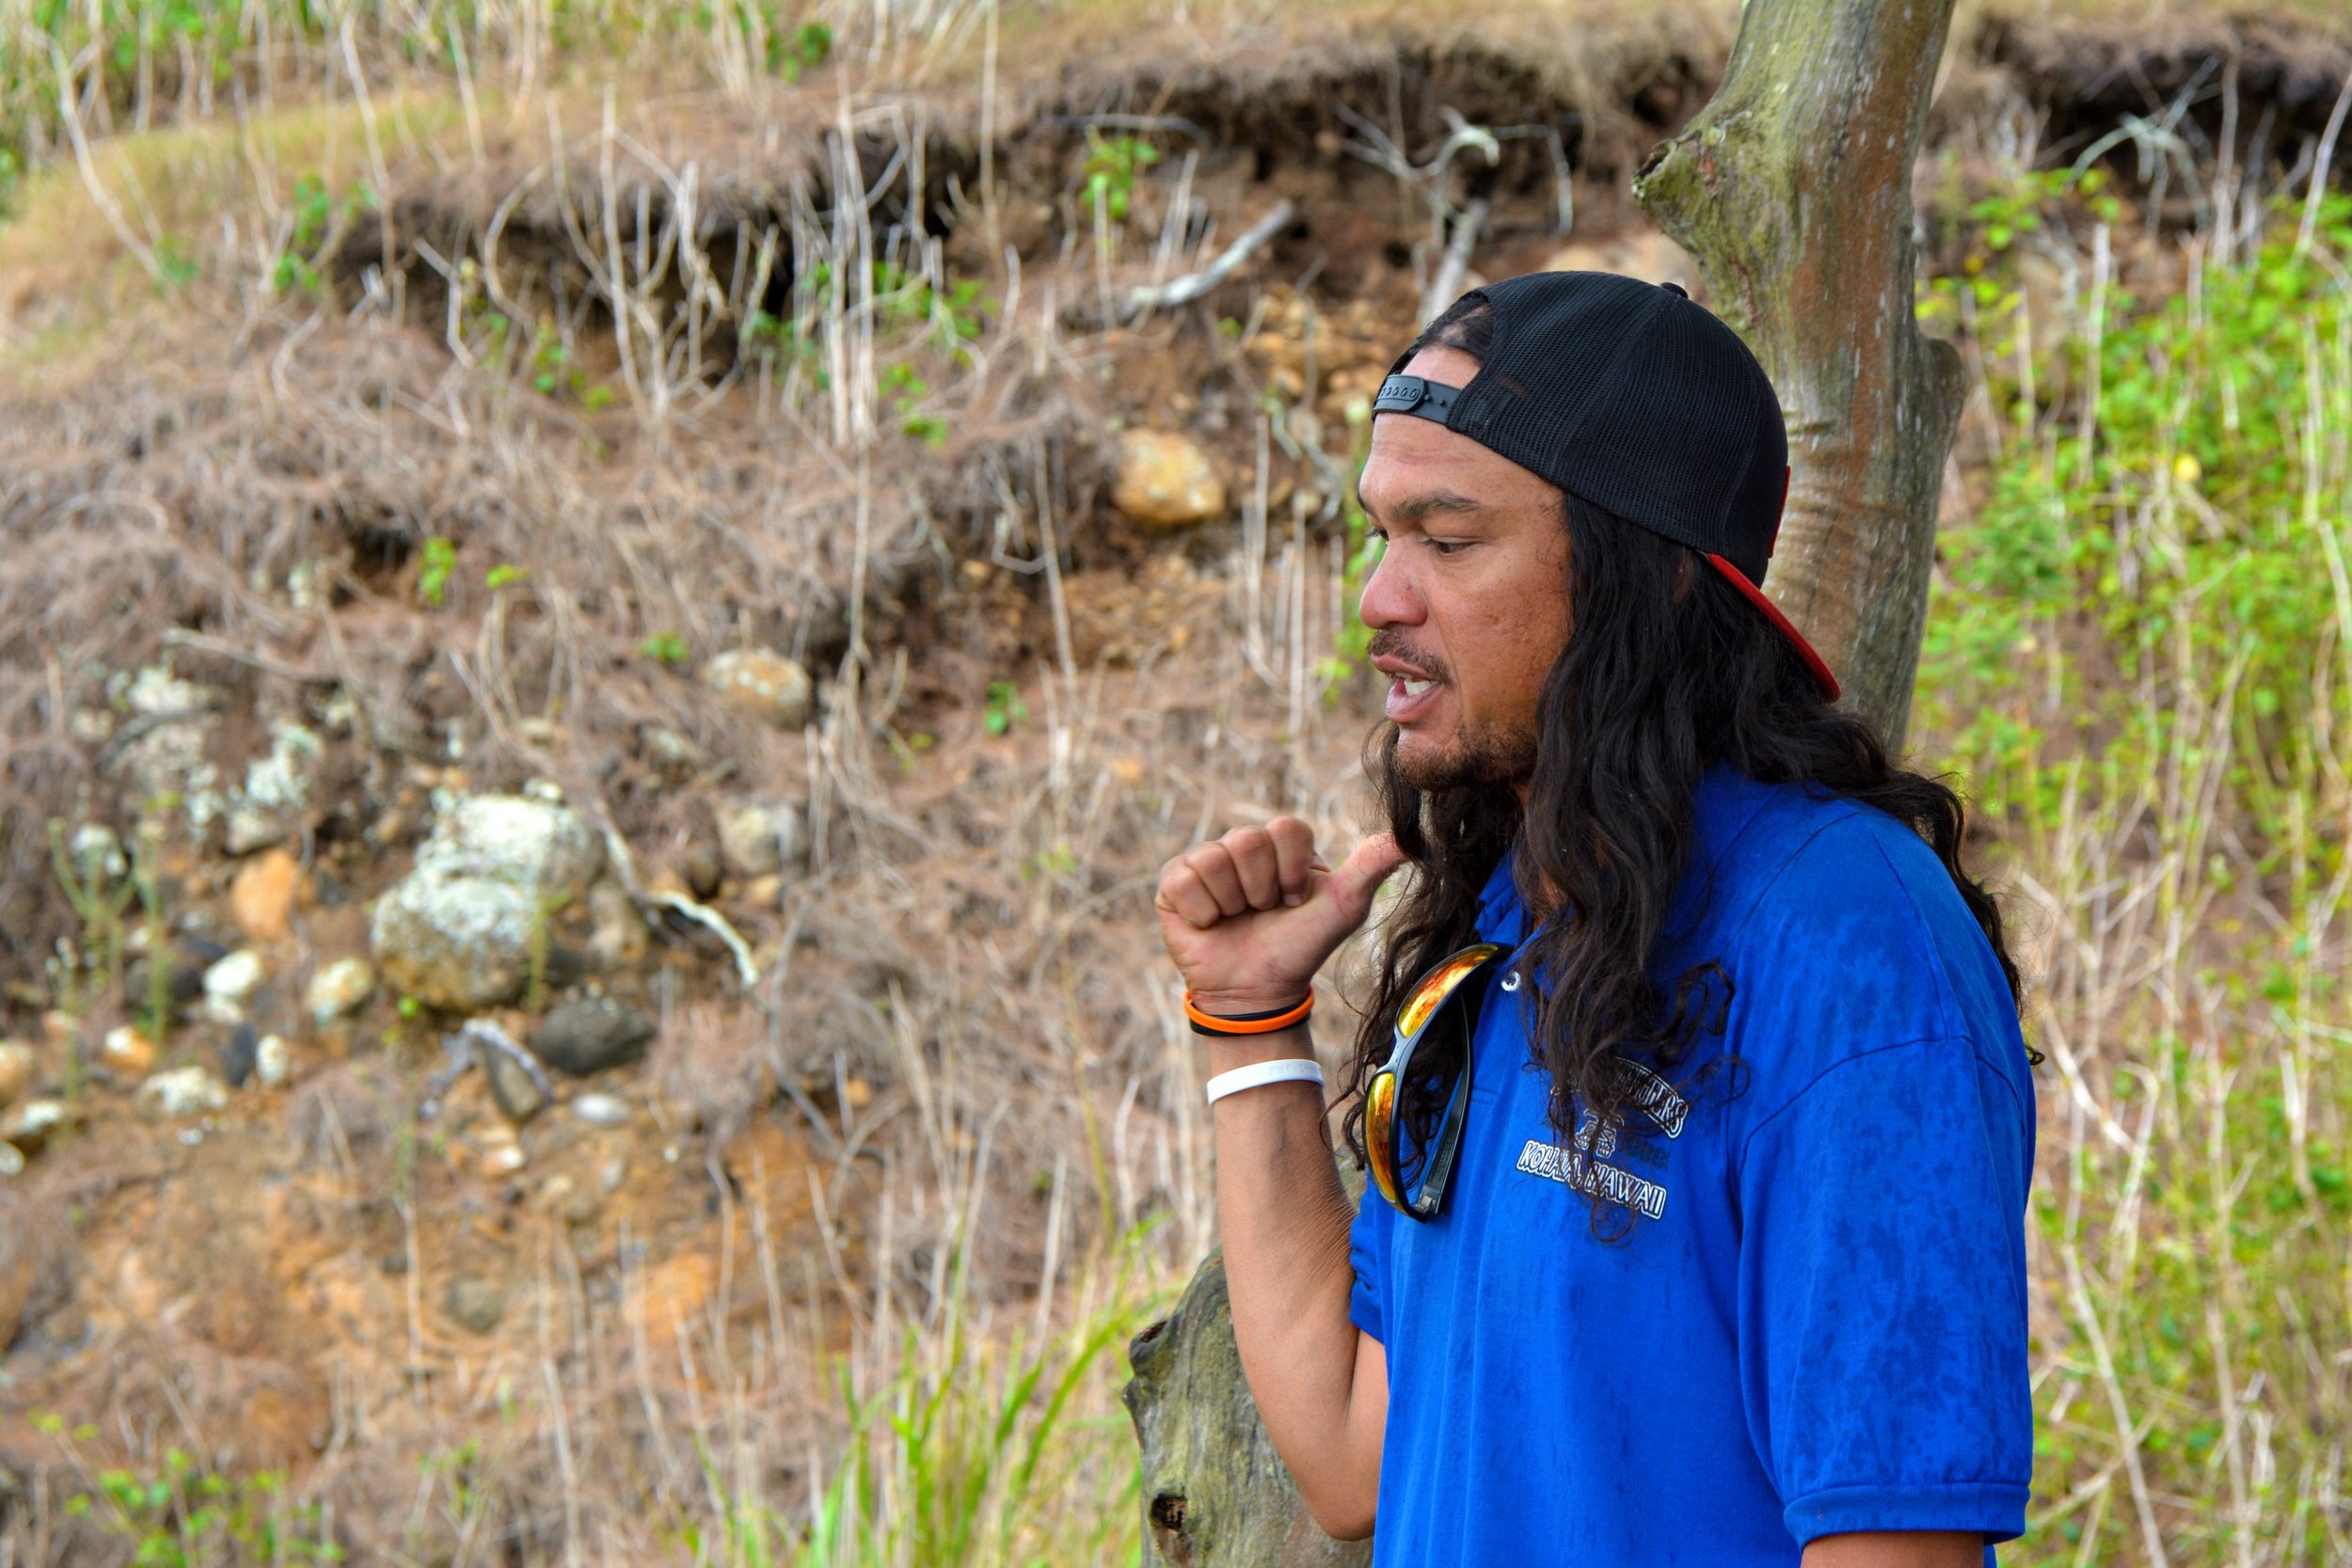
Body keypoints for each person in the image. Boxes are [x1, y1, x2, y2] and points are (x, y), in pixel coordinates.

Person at [1153, 272, 2036, 1567]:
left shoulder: (1848, 948)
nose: (1380, 600)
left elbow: (1896, 1548)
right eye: (1382, 534)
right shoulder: (1520, 921)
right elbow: (1351, 1451)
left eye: (1449, 542)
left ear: (1650, 575)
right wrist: (1249, 1022)